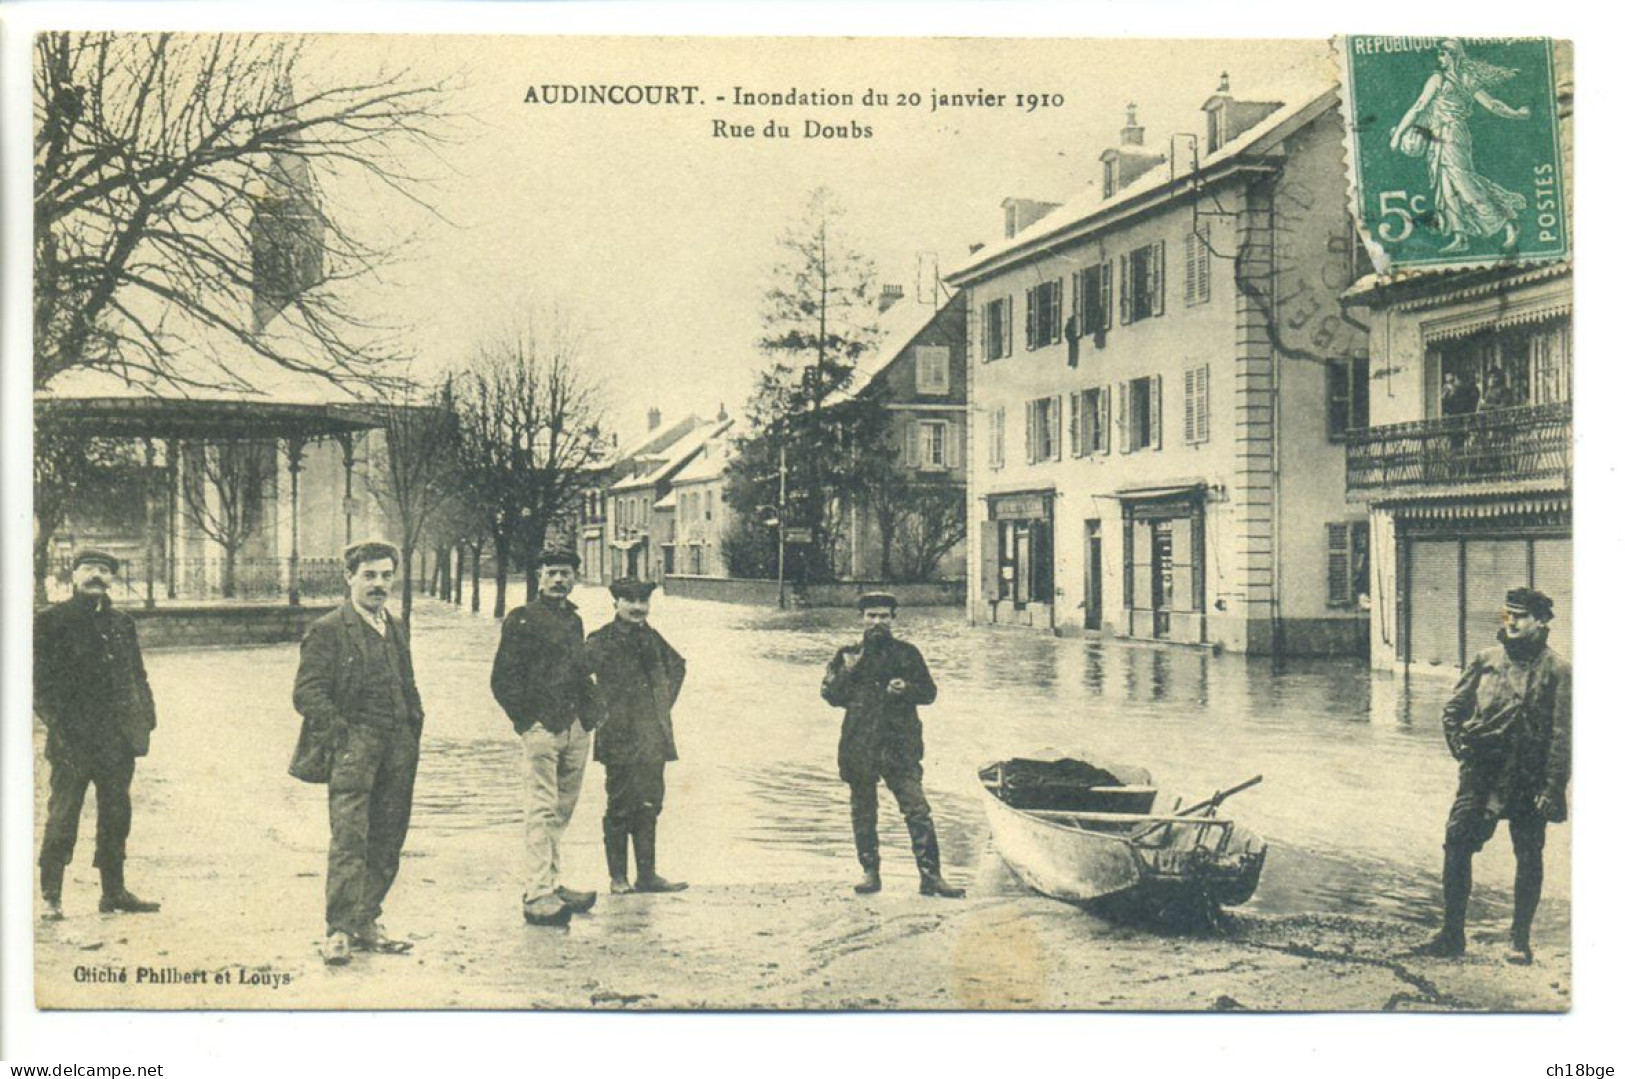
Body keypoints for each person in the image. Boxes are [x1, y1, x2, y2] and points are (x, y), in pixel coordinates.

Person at [1416, 587, 1570, 963]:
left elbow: (1562, 736)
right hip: (1481, 773)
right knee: (1456, 845)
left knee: (1529, 854)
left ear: (1542, 622)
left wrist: (1552, 788)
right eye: (1508, 614)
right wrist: (1461, 749)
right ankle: (1452, 934)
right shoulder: (1485, 660)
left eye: (1520, 616)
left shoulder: (1558, 670)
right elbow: (1453, 711)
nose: (1512, 622)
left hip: (1527, 777)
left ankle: (1520, 940)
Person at [292, 539, 424, 966]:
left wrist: (414, 724)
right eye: (369, 575)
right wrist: (342, 735)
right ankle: (339, 930)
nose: (379, 584)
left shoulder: (396, 625)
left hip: (398, 745)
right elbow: (307, 693)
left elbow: (407, 682)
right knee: (351, 838)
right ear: (349, 578)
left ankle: (368, 920)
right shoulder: (329, 629)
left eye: (386, 575)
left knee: (389, 836)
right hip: (354, 748)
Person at [34, 548, 161, 920]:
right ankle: (51, 895)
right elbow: (38, 685)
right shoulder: (51, 621)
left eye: (104, 570)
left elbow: (137, 676)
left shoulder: (122, 623)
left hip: (116, 740)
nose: (96, 575)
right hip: (72, 741)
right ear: (73, 575)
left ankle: (114, 892)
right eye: (88, 568)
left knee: (116, 815)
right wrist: (61, 726)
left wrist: (146, 717)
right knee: (63, 815)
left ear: (112, 579)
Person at [821, 592, 964, 898]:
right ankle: (870, 872)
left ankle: (931, 876)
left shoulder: (908, 654)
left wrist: (907, 689)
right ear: (861, 618)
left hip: (900, 744)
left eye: (884, 616)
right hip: (860, 743)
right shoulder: (847, 654)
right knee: (863, 810)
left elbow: (929, 693)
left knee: (917, 809)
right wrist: (848, 670)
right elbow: (831, 696)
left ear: (893, 619)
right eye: (871, 616)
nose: (877, 622)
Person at [490, 548, 598, 927]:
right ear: (539, 575)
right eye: (551, 572)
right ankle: (537, 894)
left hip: (576, 728)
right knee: (541, 808)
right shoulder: (521, 620)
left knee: (562, 810)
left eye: (565, 573)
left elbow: (580, 672)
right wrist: (528, 723)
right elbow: (502, 680)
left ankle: (551, 881)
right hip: (541, 730)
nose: (558, 580)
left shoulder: (573, 620)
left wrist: (590, 716)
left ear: (574, 578)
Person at [586, 578, 688, 895]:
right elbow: (578, 674)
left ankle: (647, 875)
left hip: (652, 737)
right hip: (617, 736)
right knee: (619, 805)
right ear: (615, 603)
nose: (637, 607)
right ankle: (618, 878)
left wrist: (661, 706)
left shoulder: (653, 638)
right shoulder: (601, 639)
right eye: (629, 601)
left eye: (642, 601)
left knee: (649, 804)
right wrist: (599, 710)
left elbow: (679, 667)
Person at [1389, 38, 1531, 255]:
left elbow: (1491, 104)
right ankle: (1460, 236)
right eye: (1439, 54)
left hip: (1454, 134)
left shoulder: (1462, 79)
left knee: (1464, 183)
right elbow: (1419, 107)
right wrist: (1399, 133)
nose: (1440, 58)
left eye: (1443, 53)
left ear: (1454, 55)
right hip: (1438, 136)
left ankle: (1507, 223)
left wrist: (1515, 114)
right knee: (1446, 187)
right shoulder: (1439, 78)